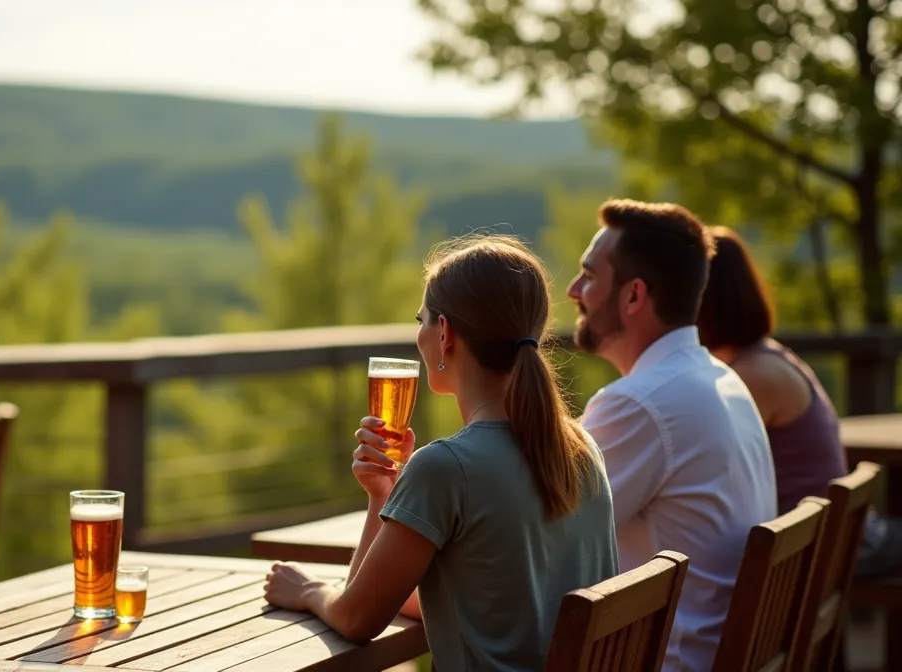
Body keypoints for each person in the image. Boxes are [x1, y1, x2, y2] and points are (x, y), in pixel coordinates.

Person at [263, 235, 619, 670]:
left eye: (422, 320)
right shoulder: (582, 449)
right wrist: (383, 495)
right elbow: (482, 600)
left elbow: (356, 620)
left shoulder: (446, 468)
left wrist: (309, 591)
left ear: (445, 333)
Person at [568, 199, 777, 671]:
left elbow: (541, 540)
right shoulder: (723, 380)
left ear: (633, 296)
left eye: (589, 276)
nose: (573, 290)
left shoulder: (640, 404)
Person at [696, 226, 902, 578]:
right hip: (837, 536)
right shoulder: (763, 358)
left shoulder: (752, 377)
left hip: (825, 551)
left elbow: (705, 472)